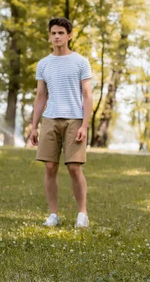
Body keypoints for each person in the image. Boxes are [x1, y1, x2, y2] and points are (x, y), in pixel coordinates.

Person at [28, 17, 93, 229]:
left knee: (74, 167)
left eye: (61, 33)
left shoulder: (81, 62)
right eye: (53, 33)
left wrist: (84, 125)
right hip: (50, 119)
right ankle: (53, 215)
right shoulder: (43, 64)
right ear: (50, 35)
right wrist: (34, 125)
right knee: (49, 166)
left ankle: (82, 214)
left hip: (74, 119)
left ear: (69, 35)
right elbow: (40, 97)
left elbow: (87, 95)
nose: (57, 36)